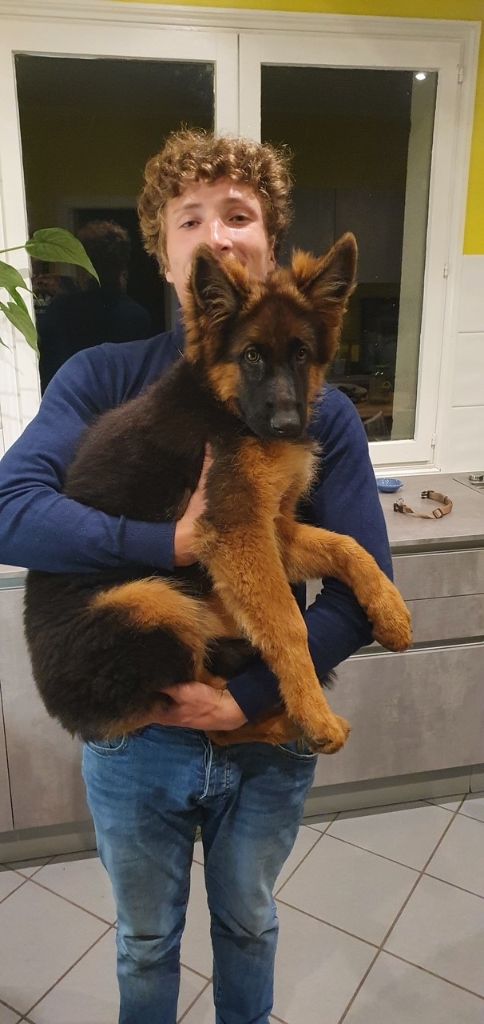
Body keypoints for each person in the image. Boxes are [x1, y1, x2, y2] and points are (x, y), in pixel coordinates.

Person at [0, 129, 394, 1024]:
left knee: (250, 924)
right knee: (145, 940)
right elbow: (11, 511)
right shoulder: (100, 378)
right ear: (164, 250)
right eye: (190, 219)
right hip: (140, 735)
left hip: (265, 729)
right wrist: (170, 544)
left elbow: (358, 595)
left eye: (239, 214)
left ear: (270, 237)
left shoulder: (320, 407)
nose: (217, 233)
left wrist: (248, 697)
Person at [37, 219, 152, 392]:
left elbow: (47, 367)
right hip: (120, 404)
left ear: (83, 264)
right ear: (122, 265)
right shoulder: (137, 315)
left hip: (70, 399)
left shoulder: (60, 310)